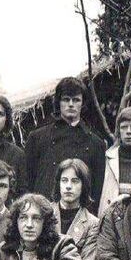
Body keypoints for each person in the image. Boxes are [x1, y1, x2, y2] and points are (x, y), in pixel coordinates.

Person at [24, 77, 106, 212]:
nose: (71, 104)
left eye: (76, 100)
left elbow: (97, 191)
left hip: (78, 218)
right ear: (58, 102)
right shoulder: (37, 138)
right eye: (66, 99)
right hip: (42, 212)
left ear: (83, 103)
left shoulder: (96, 144)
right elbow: (27, 181)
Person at [51, 158, 100, 260]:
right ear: (58, 184)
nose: (68, 186)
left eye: (75, 181)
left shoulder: (92, 224)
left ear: (84, 185)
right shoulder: (45, 214)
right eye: (64, 180)